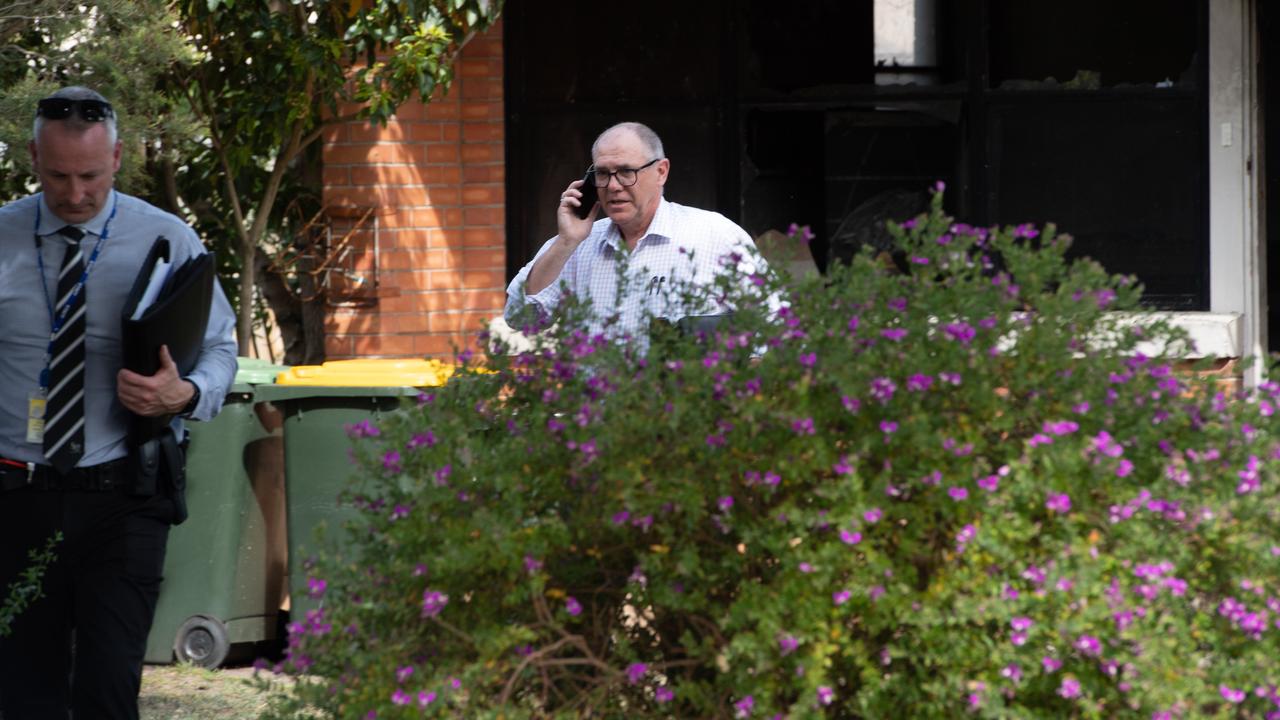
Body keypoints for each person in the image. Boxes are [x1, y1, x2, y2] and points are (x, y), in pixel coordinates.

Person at [0, 86, 237, 719]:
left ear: (119, 159)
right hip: (16, 494)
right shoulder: (1, 238)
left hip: (124, 495)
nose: (74, 195)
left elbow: (220, 349)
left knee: (108, 691)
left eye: (91, 177)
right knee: (25, 695)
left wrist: (182, 394)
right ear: (32, 156)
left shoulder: (167, 238)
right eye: (57, 177)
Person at [505, 122, 770, 341]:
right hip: (599, 403)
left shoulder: (714, 234)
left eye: (625, 172)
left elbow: (773, 322)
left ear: (661, 172)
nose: (613, 186)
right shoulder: (577, 245)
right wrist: (566, 242)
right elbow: (520, 318)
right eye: (602, 174)